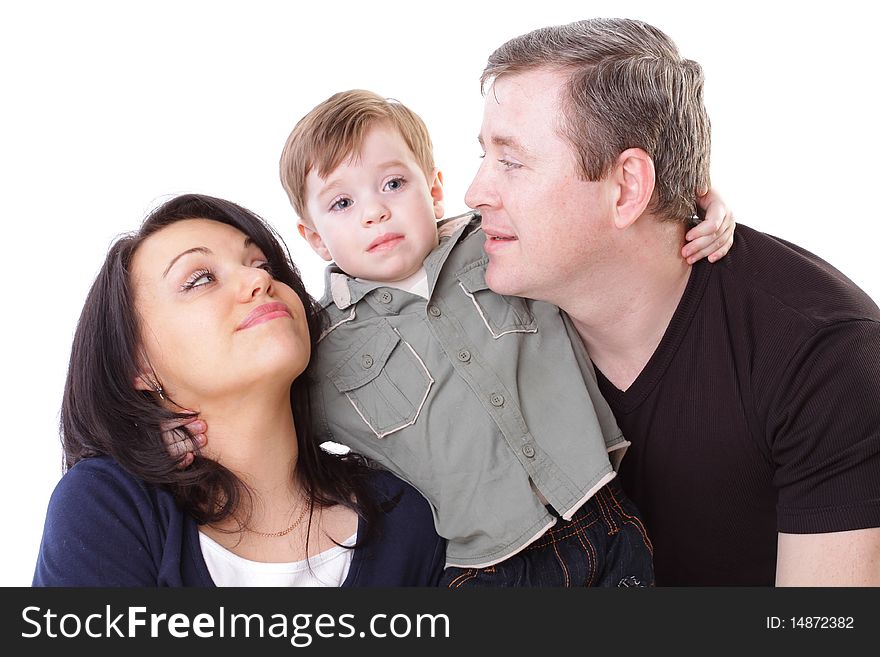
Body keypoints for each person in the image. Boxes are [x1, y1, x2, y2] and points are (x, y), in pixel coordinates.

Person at [257, 88, 732, 587]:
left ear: (435, 188)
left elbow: (601, 205)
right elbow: (255, 428)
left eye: (394, 183)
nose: (373, 211)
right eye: (342, 202)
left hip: (603, 515)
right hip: (486, 569)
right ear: (313, 236)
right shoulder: (318, 348)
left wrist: (704, 203)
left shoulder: (501, 241)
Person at [464, 17, 880, 586]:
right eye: (484, 156)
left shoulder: (823, 357)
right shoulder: (472, 293)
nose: (475, 193)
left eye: (510, 161)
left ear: (628, 187)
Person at [33, 193, 445, 587]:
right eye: (200, 279)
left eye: (263, 265)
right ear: (136, 365)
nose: (257, 280)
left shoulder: (408, 518)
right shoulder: (108, 506)